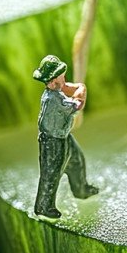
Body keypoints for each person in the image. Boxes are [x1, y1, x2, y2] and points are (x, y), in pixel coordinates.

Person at [33, 55, 99, 220]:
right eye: (61, 75)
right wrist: (81, 91)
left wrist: (75, 87)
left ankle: (81, 189)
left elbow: (68, 88)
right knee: (51, 173)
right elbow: (77, 105)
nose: (64, 77)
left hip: (63, 136)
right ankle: (43, 206)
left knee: (76, 160)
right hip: (52, 142)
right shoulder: (54, 99)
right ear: (53, 80)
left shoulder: (56, 91)